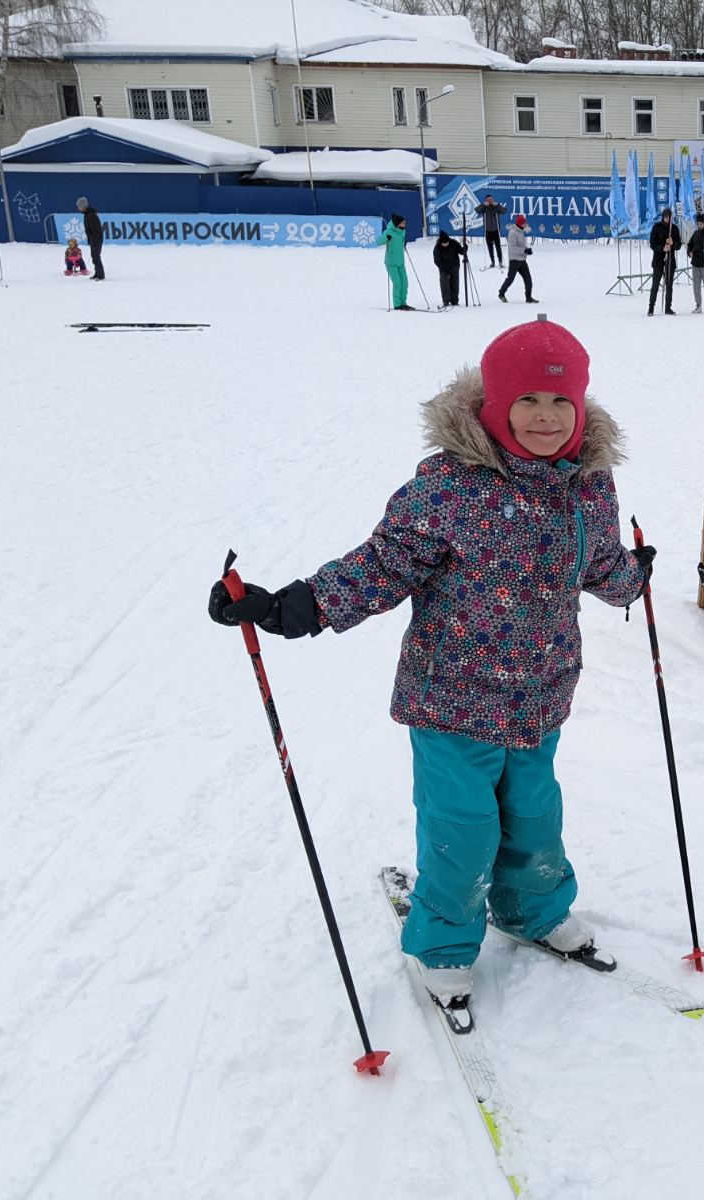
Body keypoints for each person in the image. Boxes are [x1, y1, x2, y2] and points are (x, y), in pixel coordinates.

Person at [207, 320, 655, 1025]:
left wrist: (634, 580)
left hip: (541, 695)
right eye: (528, 400)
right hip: (451, 699)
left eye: (560, 402)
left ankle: (532, 909)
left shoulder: (589, 486)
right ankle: (442, 944)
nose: (545, 417)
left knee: (535, 815)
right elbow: (382, 564)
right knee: (466, 825)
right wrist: (298, 606)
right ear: (495, 403)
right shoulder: (448, 487)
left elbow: (599, 564)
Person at [647, 206, 681, 316]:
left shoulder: (675, 228)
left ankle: (668, 307)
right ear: (663, 217)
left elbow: (679, 245)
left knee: (669, 285)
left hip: (670, 261)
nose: (668, 220)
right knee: (655, 284)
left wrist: (673, 244)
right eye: (666, 218)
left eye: (670, 218)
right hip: (658, 260)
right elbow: (652, 244)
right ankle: (651, 307)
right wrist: (662, 248)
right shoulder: (657, 227)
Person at [497, 214, 536, 304]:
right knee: (510, 279)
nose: (526, 225)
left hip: (522, 260)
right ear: (520, 224)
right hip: (514, 260)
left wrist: (527, 249)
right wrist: (525, 251)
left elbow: (521, 245)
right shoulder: (512, 233)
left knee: (528, 280)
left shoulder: (521, 231)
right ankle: (501, 293)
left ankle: (528, 298)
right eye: (524, 223)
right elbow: (512, 248)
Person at [382, 214, 413, 311]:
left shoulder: (402, 232)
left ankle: (403, 303)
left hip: (400, 262)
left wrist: (404, 243)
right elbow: (378, 241)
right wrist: (386, 238)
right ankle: (397, 304)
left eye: (404, 222)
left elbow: (400, 242)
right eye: (402, 222)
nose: (404, 224)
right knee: (397, 283)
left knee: (405, 283)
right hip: (391, 262)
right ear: (397, 223)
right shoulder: (389, 232)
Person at [433, 231, 467, 307]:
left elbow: (461, 252)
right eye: (443, 243)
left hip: (454, 265)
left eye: (446, 243)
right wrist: (444, 267)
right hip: (443, 267)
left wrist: (465, 248)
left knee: (455, 282)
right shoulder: (437, 248)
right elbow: (436, 260)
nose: (445, 245)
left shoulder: (453, 243)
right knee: (444, 283)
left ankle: (454, 300)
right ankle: (446, 300)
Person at [76, 197, 105, 280]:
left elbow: (95, 230)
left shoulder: (91, 215)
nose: (78, 208)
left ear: (83, 206)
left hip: (96, 240)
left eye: (79, 206)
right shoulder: (87, 215)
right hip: (93, 240)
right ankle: (97, 273)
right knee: (94, 256)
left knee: (96, 257)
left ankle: (100, 275)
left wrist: (94, 241)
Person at [476, 195, 506, 267]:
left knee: (498, 247)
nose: (490, 201)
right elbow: (477, 210)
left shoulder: (496, 206)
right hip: (487, 230)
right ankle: (492, 261)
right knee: (490, 247)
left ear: (493, 199)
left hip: (496, 230)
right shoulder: (484, 207)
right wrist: (483, 204)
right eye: (488, 200)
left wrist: (498, 205)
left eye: (491, 199)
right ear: (486, 200)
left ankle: (500, 261)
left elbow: (504, 211)